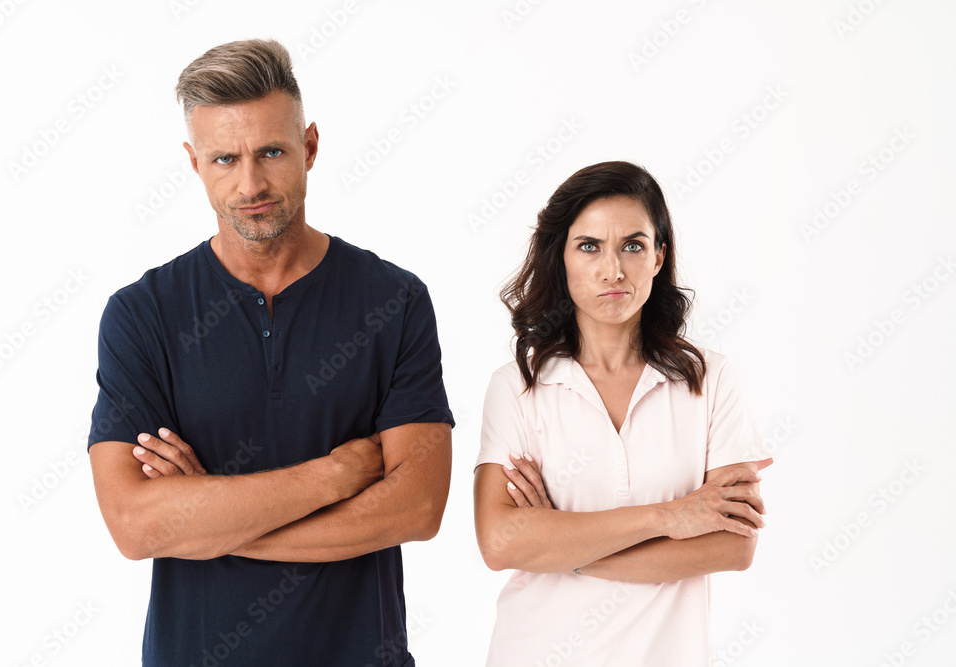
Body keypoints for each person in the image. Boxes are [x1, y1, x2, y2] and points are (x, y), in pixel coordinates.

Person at [87, 39, 454, 666]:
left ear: (309, 147)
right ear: (194, 163)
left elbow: (417, 508)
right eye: (224, 158)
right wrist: (332, 477)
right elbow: (136, 525)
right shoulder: (142, 313)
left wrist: (210, 520)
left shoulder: (393, 300)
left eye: (272, 152)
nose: (250, 183)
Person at [473, 161, 772, 666]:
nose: (613, 269)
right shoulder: (517, 387)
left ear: (659, 256)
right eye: (589, 245)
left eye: (633, 245)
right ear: (560, 258)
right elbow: (500, 542)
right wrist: (670, 517)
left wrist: (560, 545)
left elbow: (732, 546)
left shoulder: (712, 380)